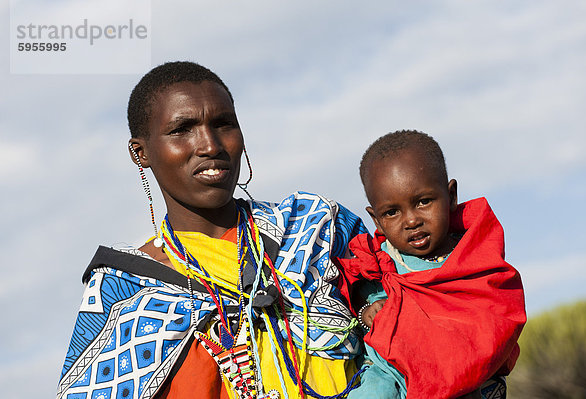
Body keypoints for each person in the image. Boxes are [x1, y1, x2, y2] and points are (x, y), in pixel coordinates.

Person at [56, 61, 368, 399]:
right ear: (140, 152)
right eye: (182, 129)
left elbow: (408, 321)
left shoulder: (316, 228)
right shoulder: (123, 290)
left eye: (223, 124)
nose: (210, 145)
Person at [336, 130, 527, 399]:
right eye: (392, 212)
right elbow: (360, 309)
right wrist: (368, 311)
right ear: (376, 220)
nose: (411, 220)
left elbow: (496, 319)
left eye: (423, 202)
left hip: (468, 381)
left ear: (450, 196)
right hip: (390, 375)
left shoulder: (476, 259)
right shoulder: (379, 263)